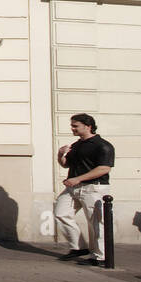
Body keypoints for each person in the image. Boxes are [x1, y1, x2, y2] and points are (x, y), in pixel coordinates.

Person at [53, 113, 115, 267]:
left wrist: (78, 178)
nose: (72, 128)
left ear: (88, 126)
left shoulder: (102, 145)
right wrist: (60, 154)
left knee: (96, 222)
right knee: (61, 213)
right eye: (72, 125)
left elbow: (104, 168)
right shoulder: (77, 144)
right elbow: (66, 164)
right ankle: (79, 247)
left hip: (94, 187)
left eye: (75, 126)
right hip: (74, 187)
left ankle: (100, 256)